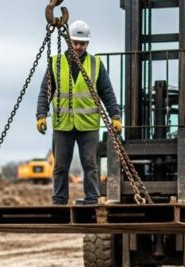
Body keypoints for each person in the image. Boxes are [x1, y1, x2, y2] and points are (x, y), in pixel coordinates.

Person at [36, 20, 122, 205]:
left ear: (88, 43)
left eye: (82, 43)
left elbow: (107, 93)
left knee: (90, 165)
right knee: (60, 166)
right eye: (75, 42)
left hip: (88, 124)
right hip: (63, 123)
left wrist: (115, 116)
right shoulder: (56, 63)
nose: (78, 46)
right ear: (69, 41)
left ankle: (92, 199)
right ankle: (59, 200)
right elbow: (46, 91)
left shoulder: (96, 64)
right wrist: (41, 115)